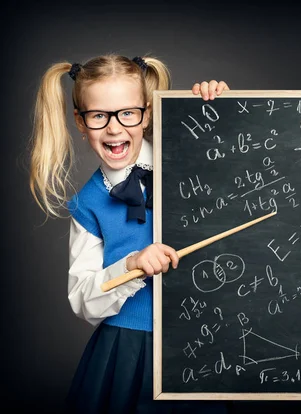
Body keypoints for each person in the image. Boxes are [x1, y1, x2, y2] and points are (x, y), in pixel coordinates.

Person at [28, 53, 231, 413]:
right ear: (80, 121)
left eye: (128, 113)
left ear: (147, 114)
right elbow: (83, 300)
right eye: (98, 116)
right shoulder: (87, 203)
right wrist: (131, 264)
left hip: (200, 340)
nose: (114, 128)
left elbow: (245, 172)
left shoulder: (188, 155)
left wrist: (222, 108)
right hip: (128, 352)